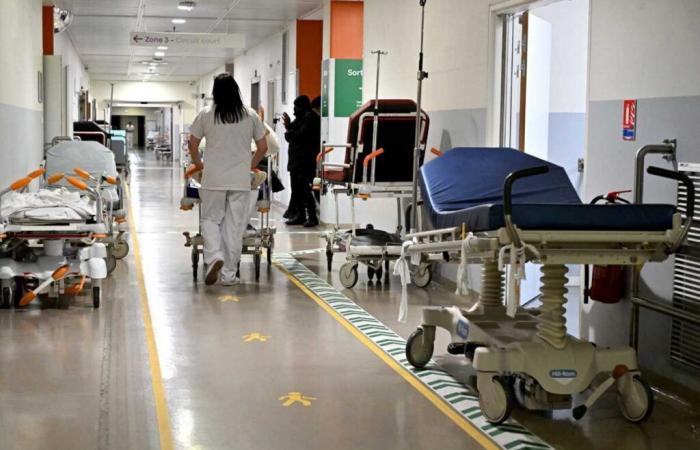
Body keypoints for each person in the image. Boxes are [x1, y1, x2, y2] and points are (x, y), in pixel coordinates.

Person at [188, 73, 268, 286]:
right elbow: (263, 147)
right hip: (240, 179)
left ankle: (214, 256)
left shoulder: (206, 114)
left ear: (215, 92)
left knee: (210, 219)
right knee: (235, 227)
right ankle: (229, 276)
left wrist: (199, 164)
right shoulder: (250, 115)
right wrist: (251, 164)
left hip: (213, 177)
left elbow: (192, 143)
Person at [282, 95, 320, 227]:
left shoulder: (310, 118)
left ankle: (312, 217)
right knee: (296, 189)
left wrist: (289, 129)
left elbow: (299, 135)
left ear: (302, 107)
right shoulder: (300, 119)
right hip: (296, 161)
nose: (294, 111)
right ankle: (300, 216)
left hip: (305, 161)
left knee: (305, 189)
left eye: (296, 107)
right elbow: (289, 136)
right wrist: (289, 129)